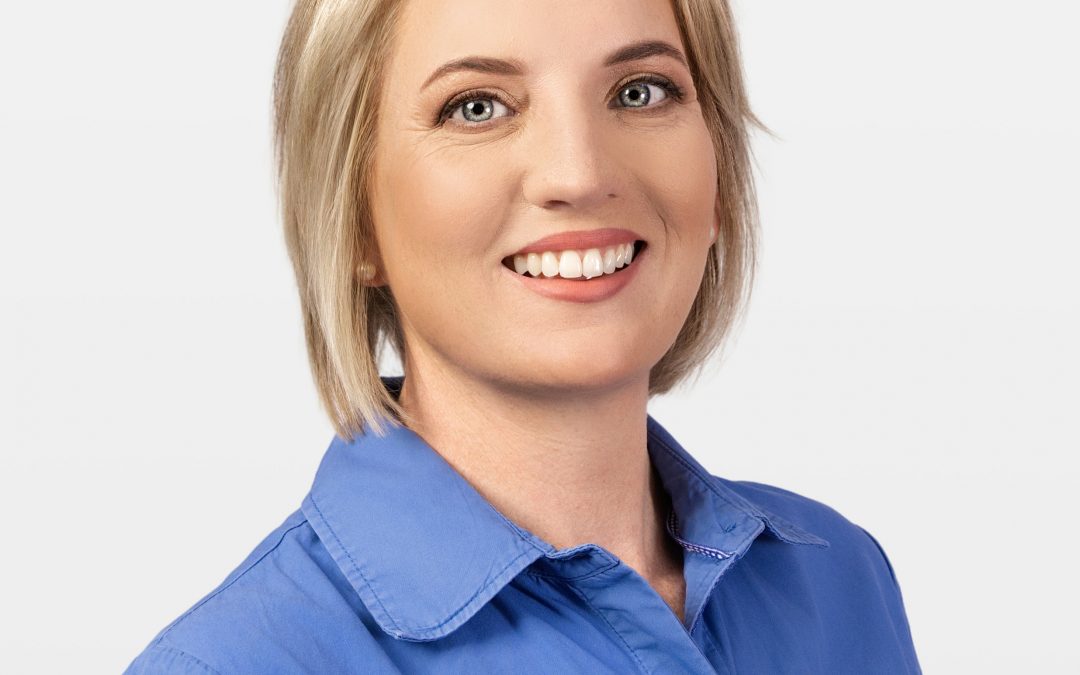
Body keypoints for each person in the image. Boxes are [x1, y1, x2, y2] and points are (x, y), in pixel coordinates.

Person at [125, 0, 921, 672]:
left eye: (640, 92)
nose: (580, 173)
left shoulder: (838, 579)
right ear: (355, 217)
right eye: (477, 106)